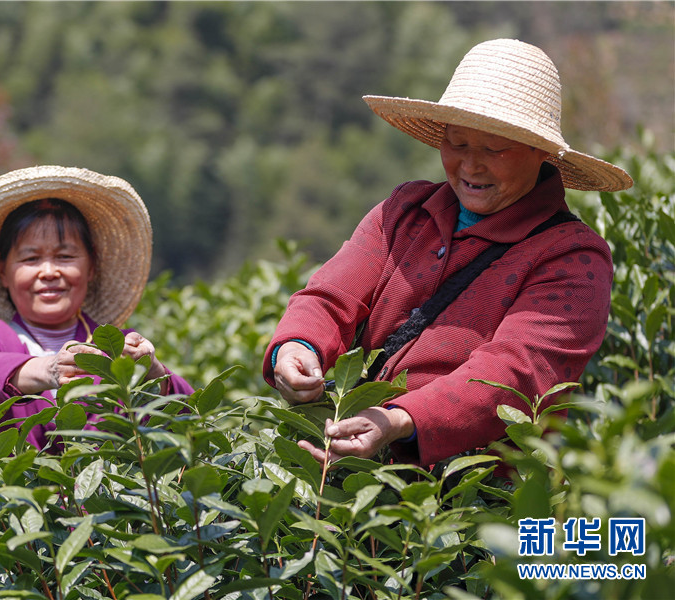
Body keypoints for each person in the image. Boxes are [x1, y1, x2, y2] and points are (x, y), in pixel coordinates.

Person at [263, 39, 632, 468]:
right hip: (352, 462)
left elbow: (515, 374)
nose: (470, 166)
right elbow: (332, 295)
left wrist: (401, 419)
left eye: (494, 149)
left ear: (540, 153)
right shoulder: (404, 212)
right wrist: (296, 348)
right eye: (457, 144)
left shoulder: (573, 257)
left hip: (479, 501)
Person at [0, 165, 193, 451]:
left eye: (65, 256)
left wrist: (153, 372)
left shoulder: (115, 344)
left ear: (91, 265)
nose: (49, 272)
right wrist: (47, 370)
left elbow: (187, 421)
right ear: (2, 270)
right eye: (30, 259)